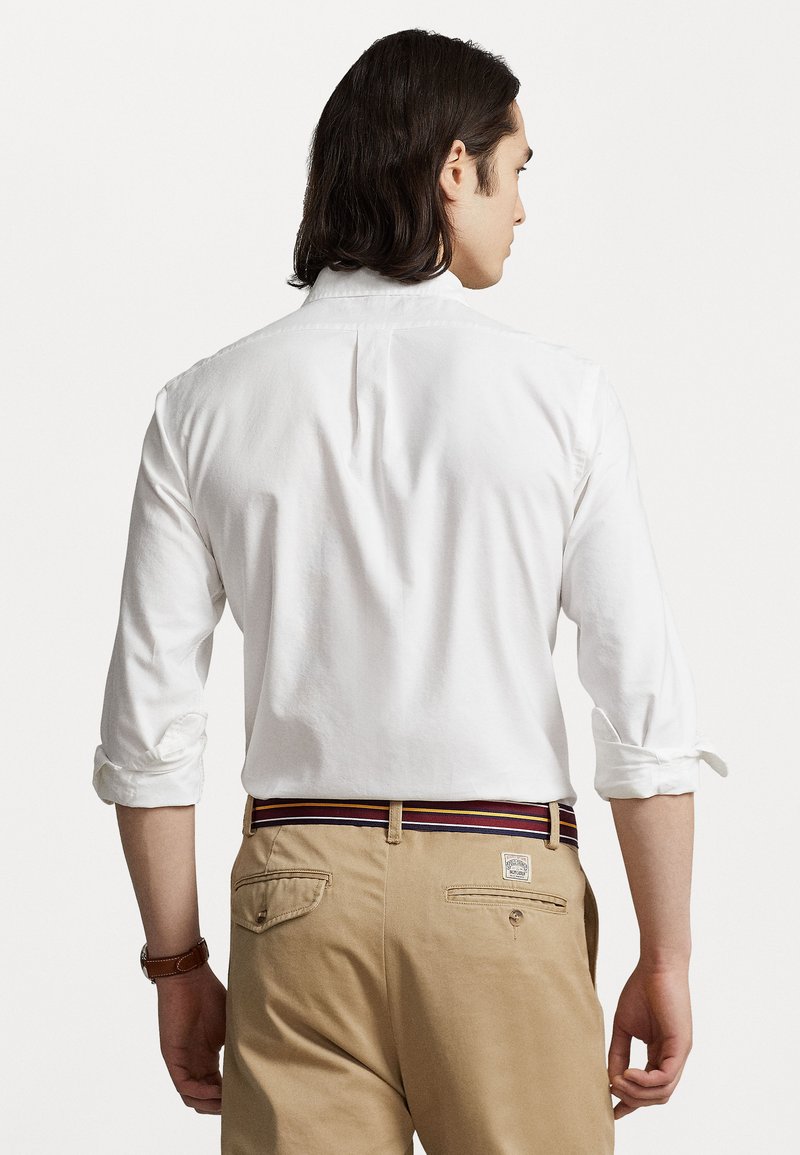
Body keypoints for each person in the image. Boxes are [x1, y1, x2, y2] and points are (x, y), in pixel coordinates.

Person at [92, 27, 729, 1155]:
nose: (522, 208)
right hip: (506, 886)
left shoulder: (202, 406)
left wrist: (178, 965)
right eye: (515, 170)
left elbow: (149, 727)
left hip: (297, 900)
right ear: (453, 169)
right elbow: (639, 711)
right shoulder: (560, 400)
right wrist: (666, 955)